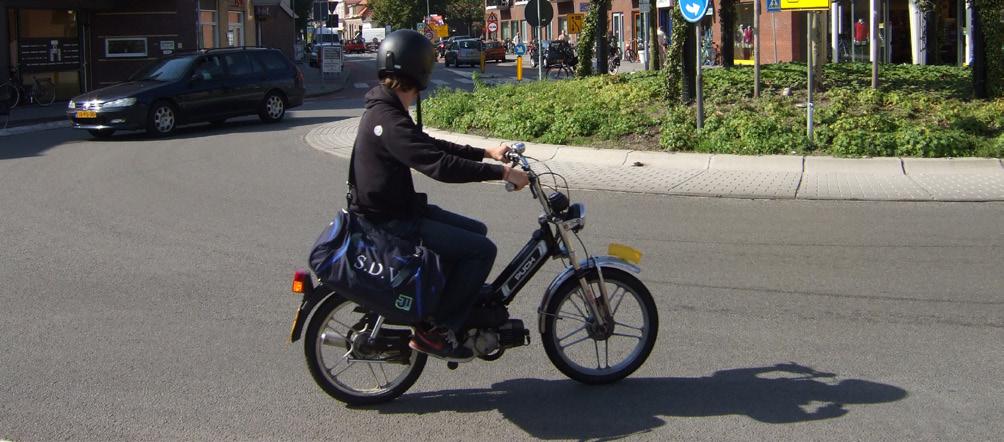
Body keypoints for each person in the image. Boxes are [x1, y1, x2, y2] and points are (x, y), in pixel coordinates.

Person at [351, 30, 530, 362]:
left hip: (396, 211)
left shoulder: (386, 109)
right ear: (418, 70)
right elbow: (440, 166)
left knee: (477, 232)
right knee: (481, 251)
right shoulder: (388, 120)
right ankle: (436, 330)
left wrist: (487, 152)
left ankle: (449, 302)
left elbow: (430, 145)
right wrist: (502, 173)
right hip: (391, 222)